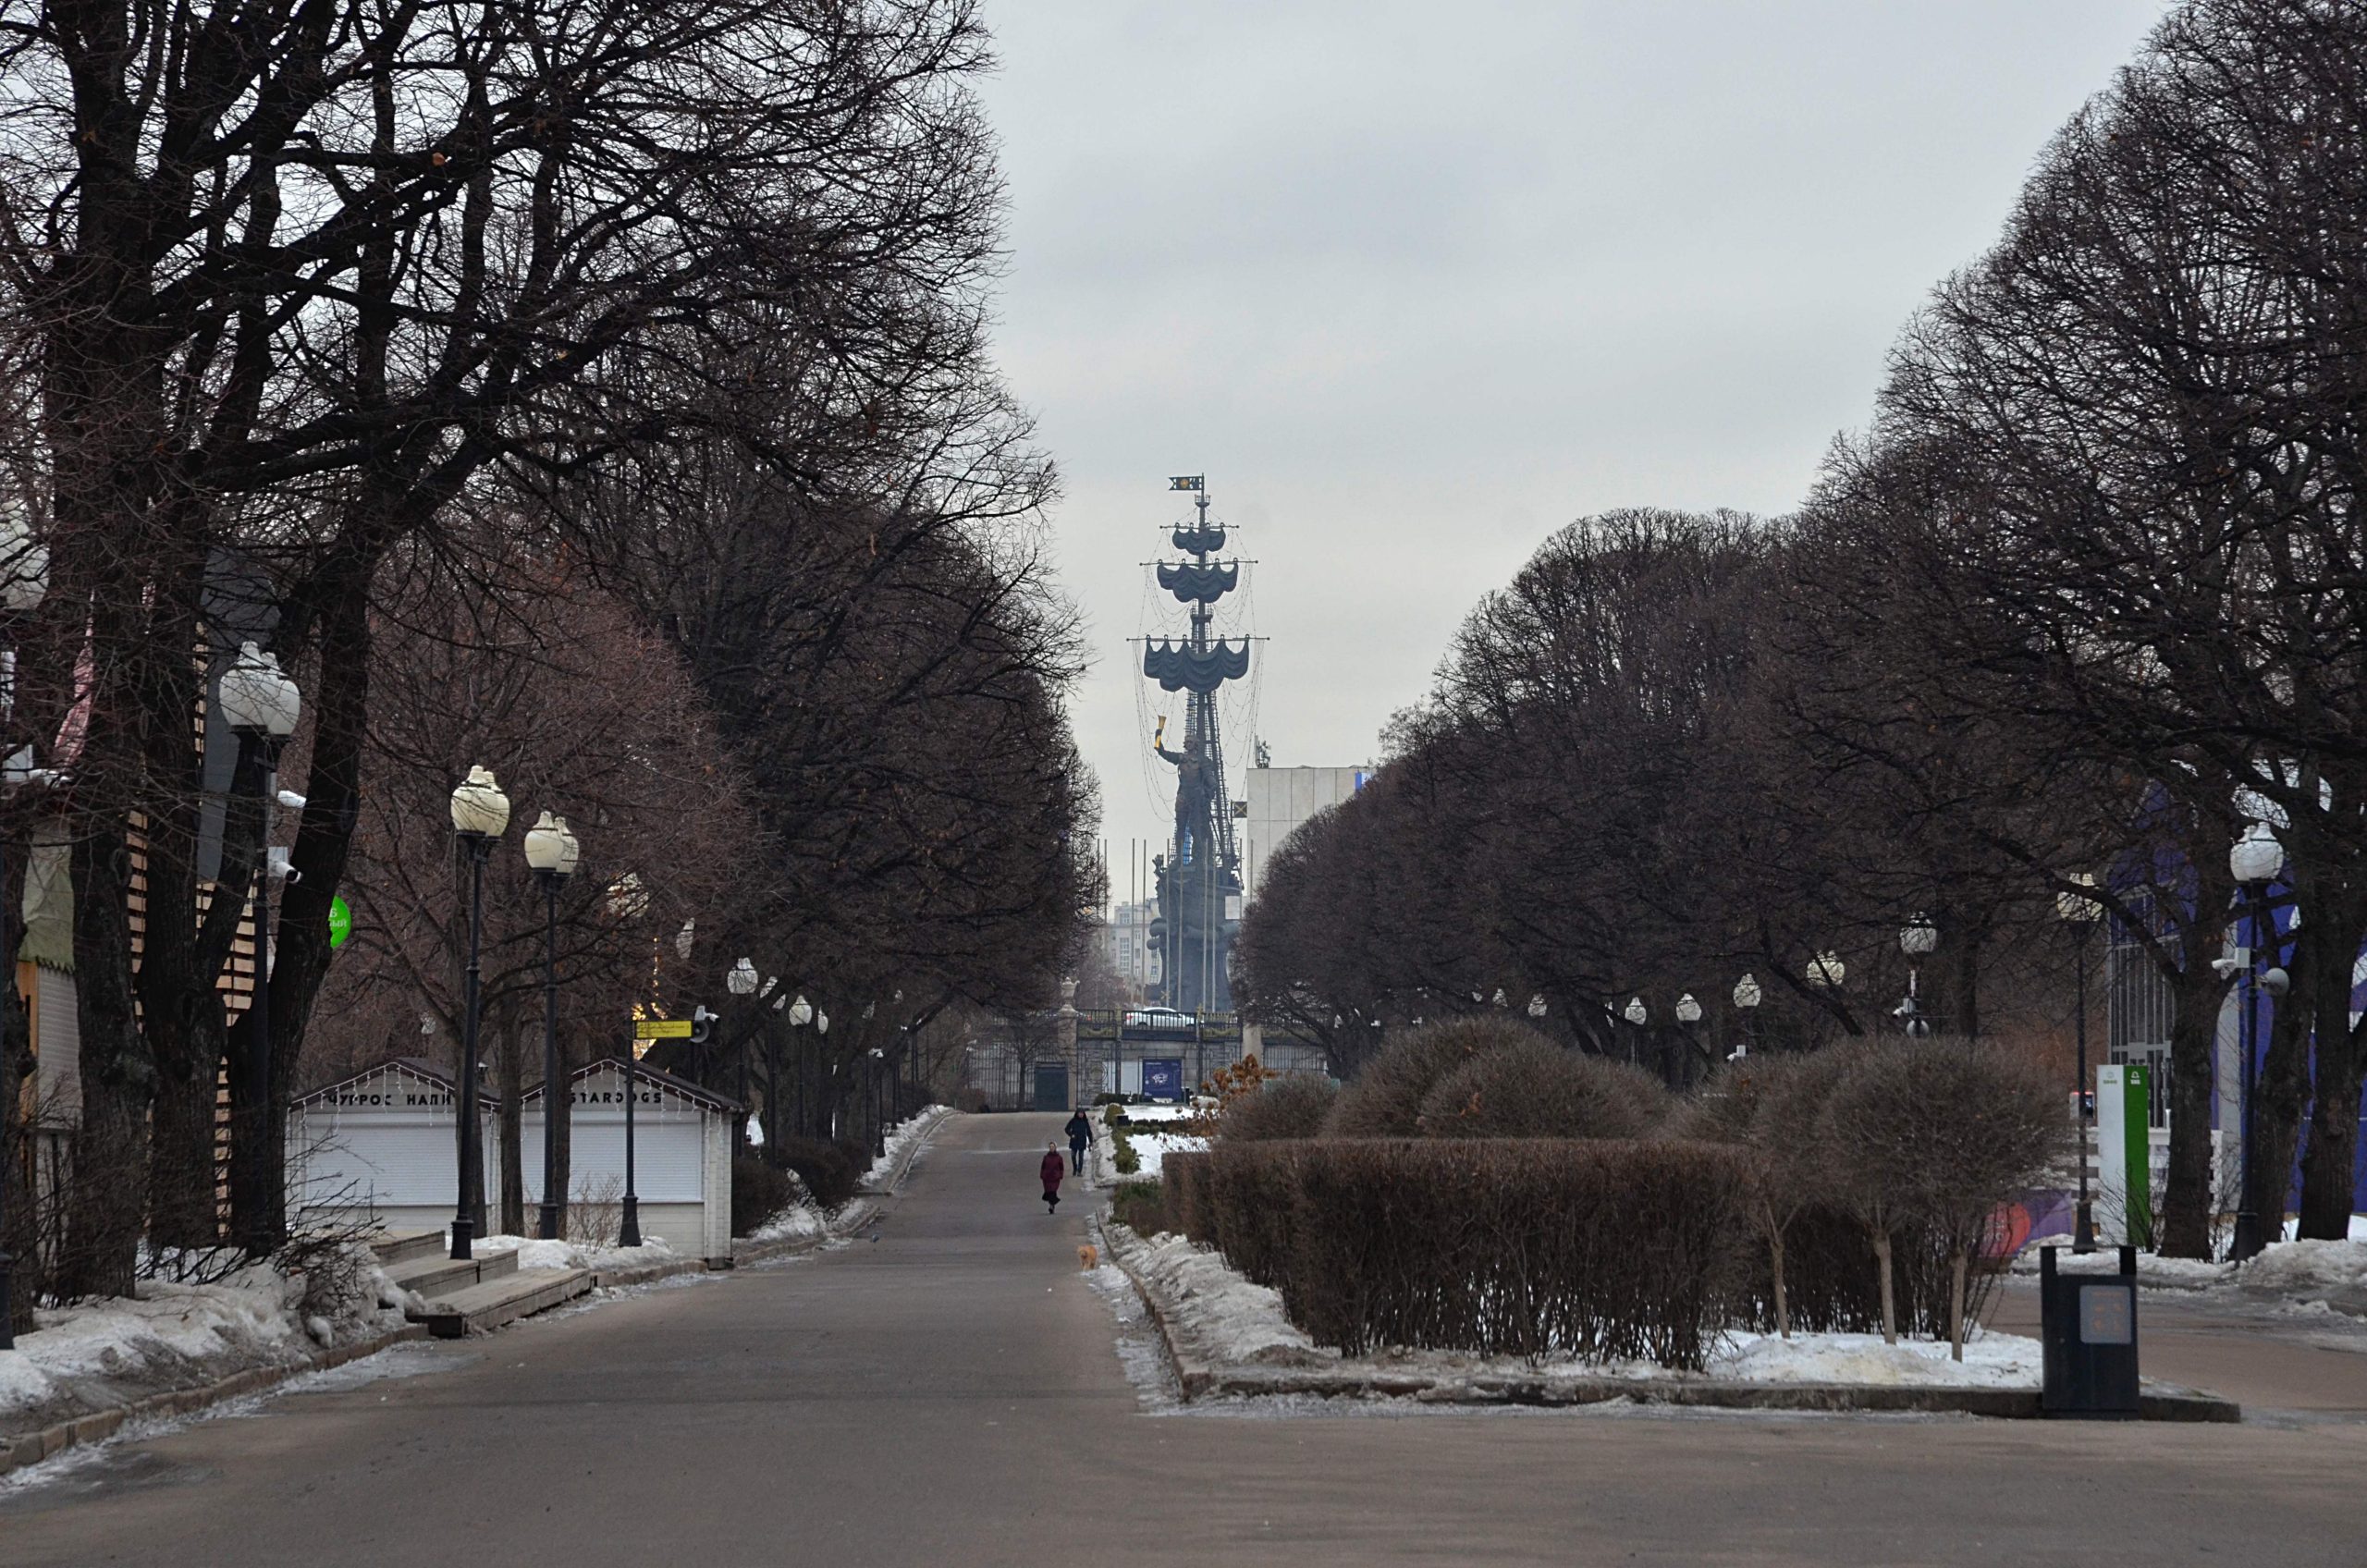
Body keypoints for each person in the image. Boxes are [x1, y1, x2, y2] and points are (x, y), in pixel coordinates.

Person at [1063, 1109, 1093, 1175]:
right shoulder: (1073, 1121)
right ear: (1077, 1113)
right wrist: (1071, 1135)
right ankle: (1075, 1168)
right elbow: (1066, 1129)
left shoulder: (1085, 1122)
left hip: (1082, 1141)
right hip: (1074, 1141)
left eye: (1082, 1113)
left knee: (1081, 1157)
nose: (1081, 1114)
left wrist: (1091, 1142)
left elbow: (1089, 1132)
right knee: (1073, 1156)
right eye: (1080, 1113)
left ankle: (1079, 1171)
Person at [1039, 1141, 1066, 1214]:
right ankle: (1052, 1205)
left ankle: (1051, 1206)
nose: (1051, 1148)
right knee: (1048, 1191)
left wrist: (1061, 1175)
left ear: (1055, 1148)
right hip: (1047, 1177)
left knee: (1053, 1191)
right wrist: (1042, 1174)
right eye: (1050, 1147)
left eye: (1053, 1147)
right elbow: (1043, 1167)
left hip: (1055, 1177)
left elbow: (1061, 1167)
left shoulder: (1059, 1158)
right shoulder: (1046, 1157)